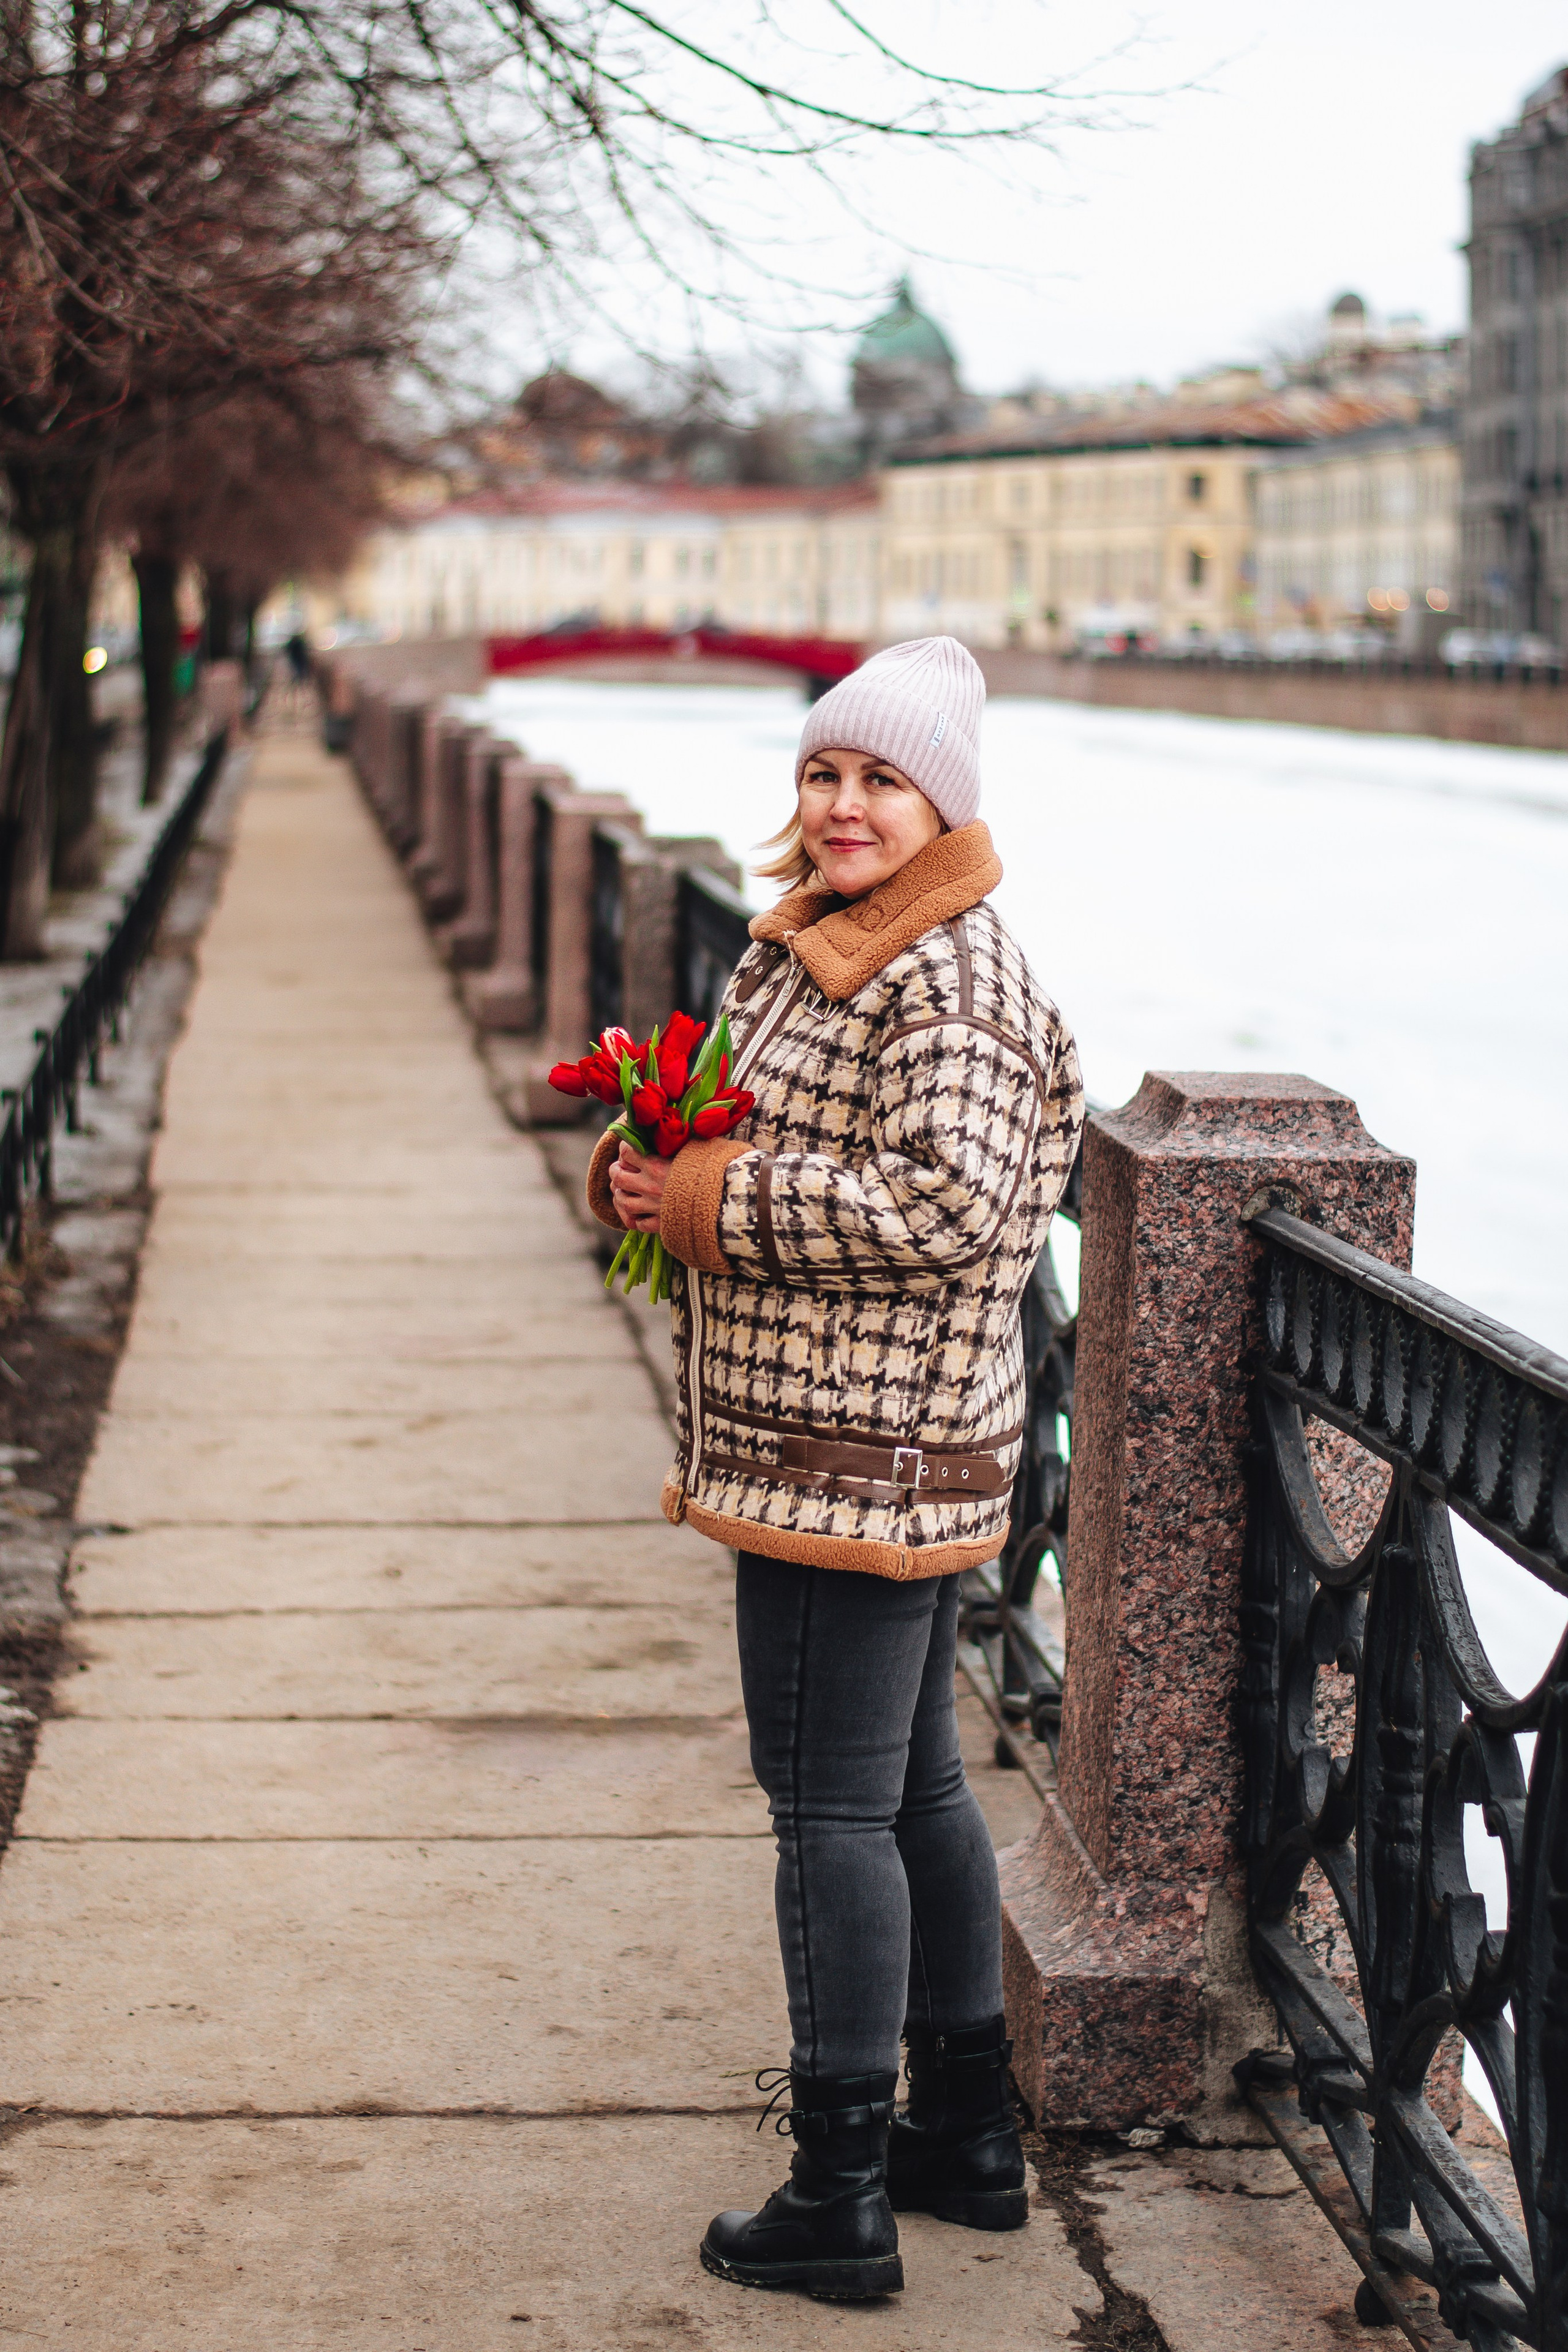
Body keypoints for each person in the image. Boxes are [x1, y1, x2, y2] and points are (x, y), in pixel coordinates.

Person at [587, 636, 1084, 2304]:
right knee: (914, 1789)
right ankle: (961, 2137)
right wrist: (650, 1164)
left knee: (828, 1811)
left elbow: (951, 1208)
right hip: (852, 1445)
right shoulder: (814, 947)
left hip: (856, 1459)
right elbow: (739, 1119)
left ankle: (840, 2193)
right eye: (825, 773)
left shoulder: (948, 978)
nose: (846, 803)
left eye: (880, 777)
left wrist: (715, 1209)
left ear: (944, 798)